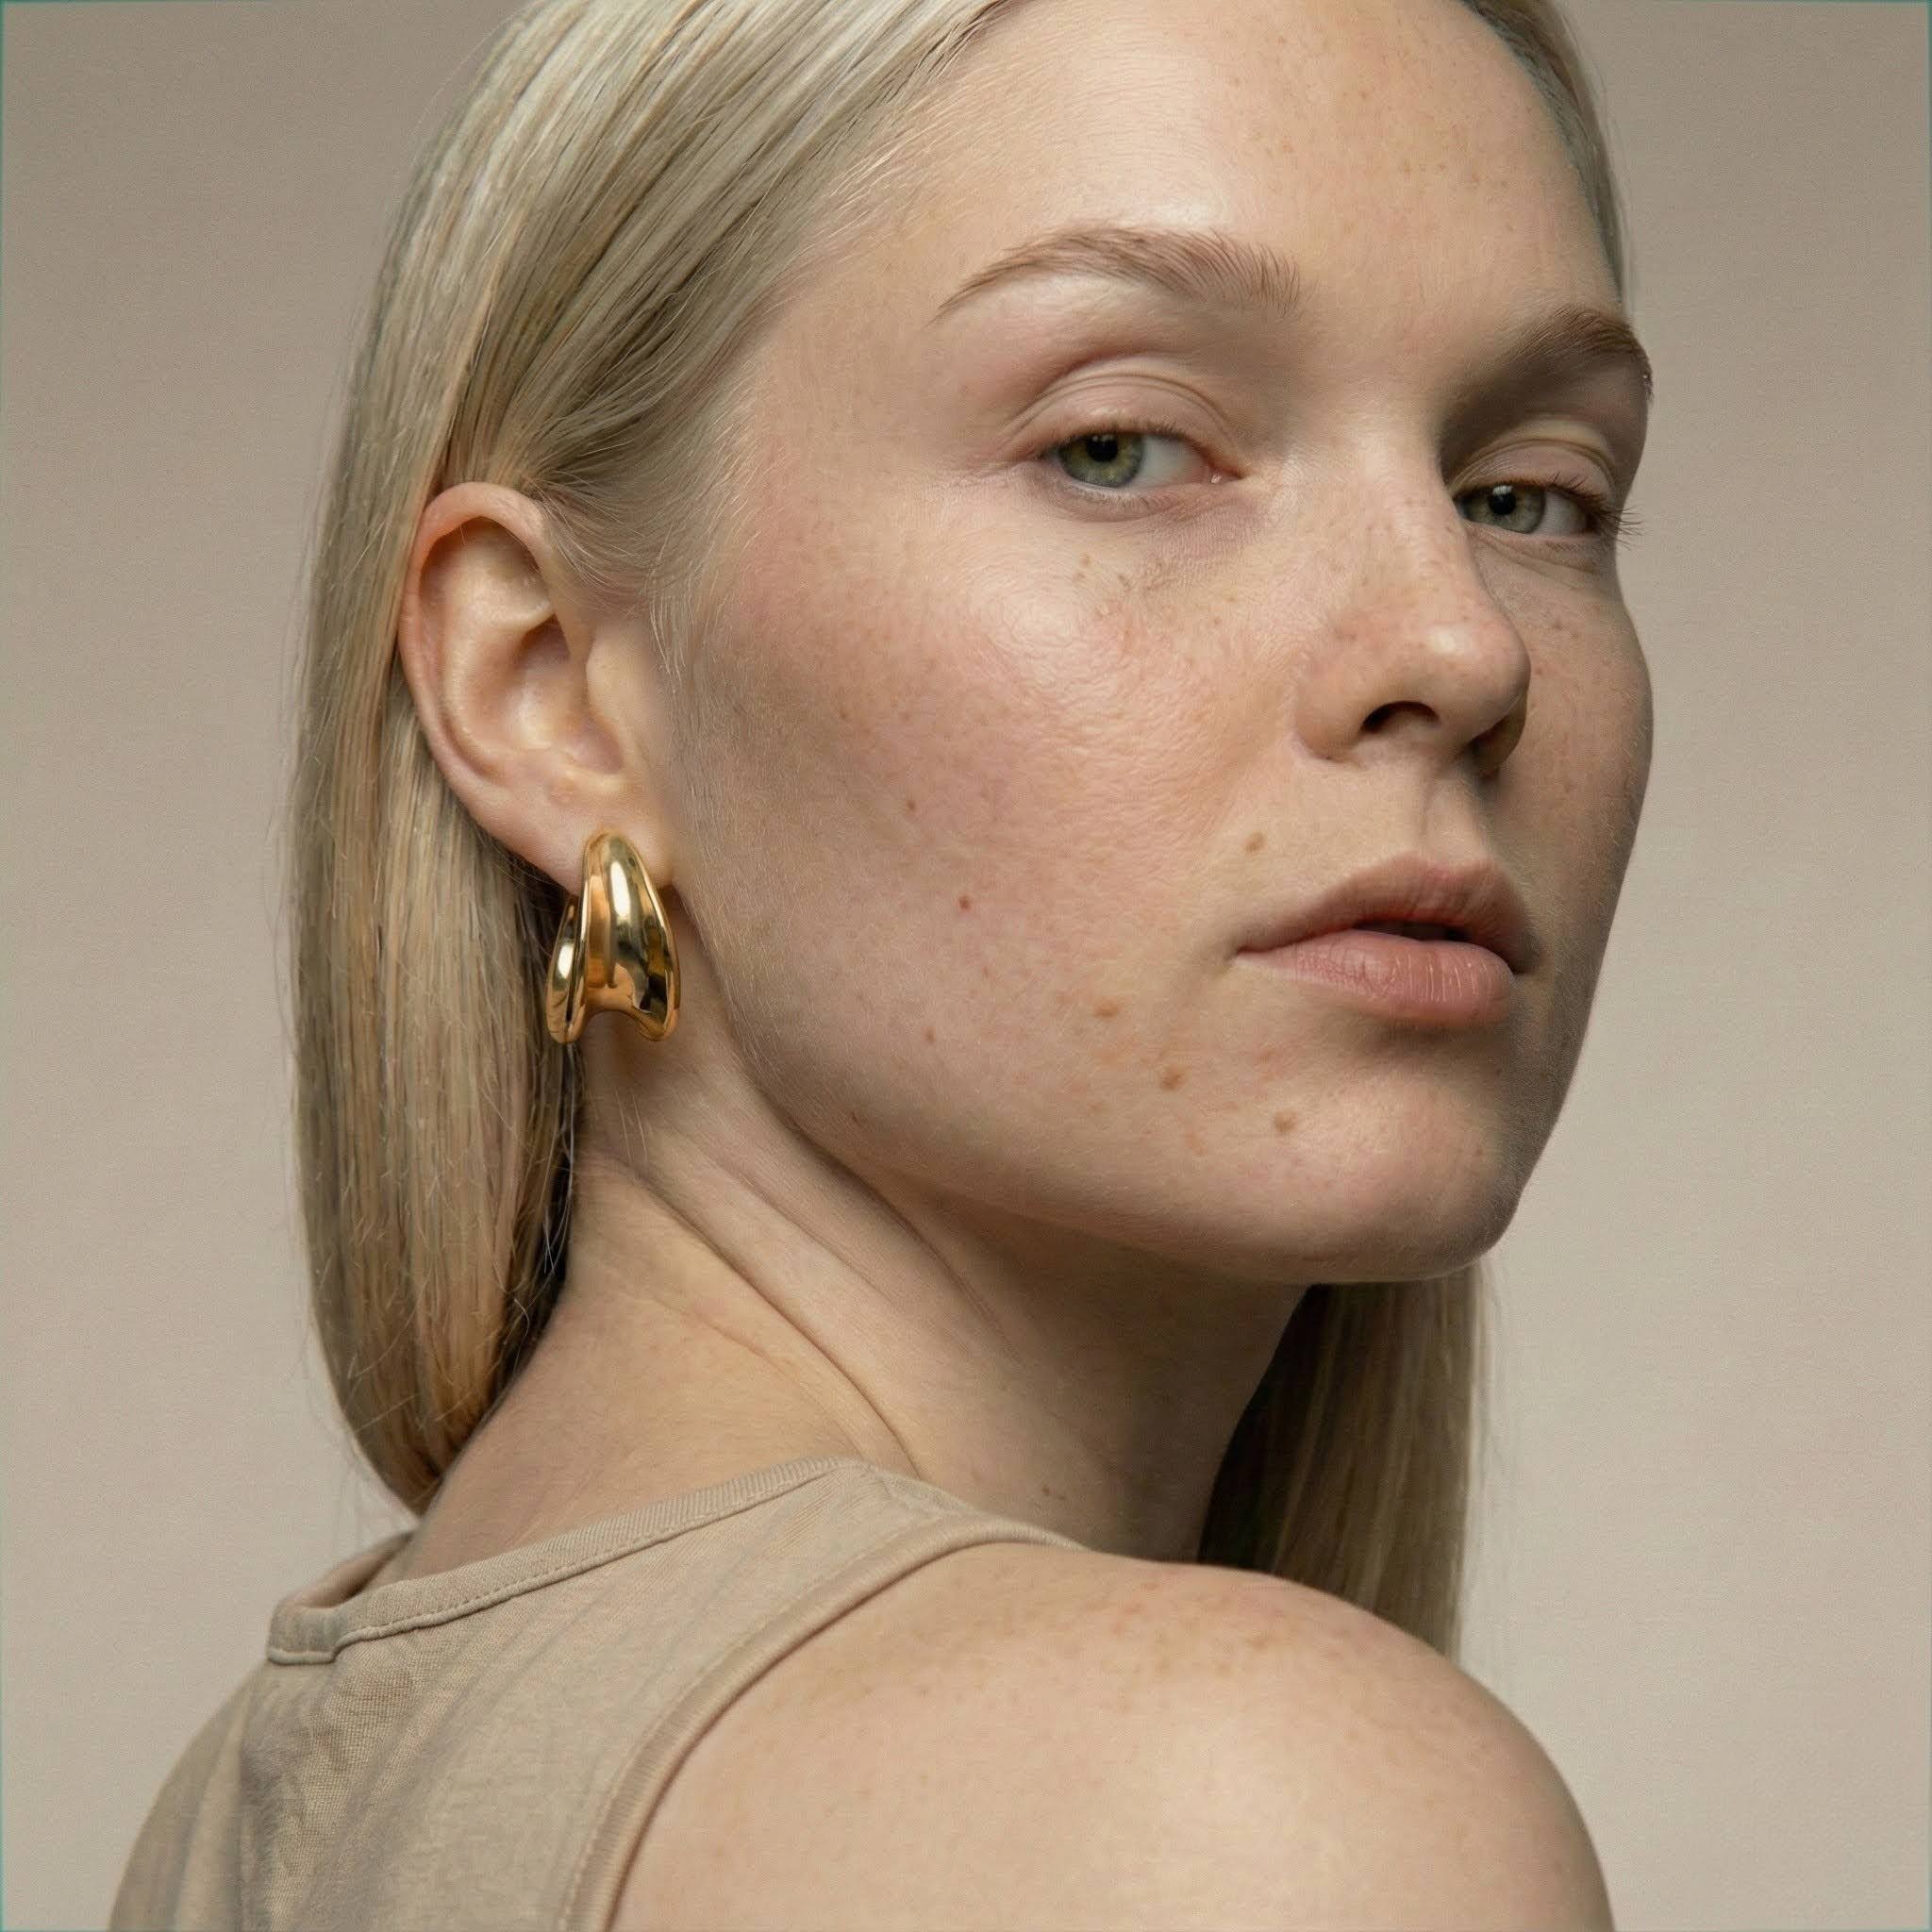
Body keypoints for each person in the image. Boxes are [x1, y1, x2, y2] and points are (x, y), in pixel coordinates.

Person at [110, 0, 1654, 1922]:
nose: (1457, 641)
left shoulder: (258, 1808)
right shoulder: (1242, 1818)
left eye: (1530, 493)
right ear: (553, 694)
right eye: (1120, 446)